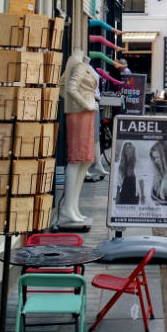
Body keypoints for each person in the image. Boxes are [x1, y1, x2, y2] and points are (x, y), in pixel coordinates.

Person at [57, 48, 99, 225]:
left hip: (85, 113)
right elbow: (70, 88)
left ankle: (72, 207)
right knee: (77, 159)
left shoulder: (82, 63)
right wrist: (86, 104)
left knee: (85, 160)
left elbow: (65, 87)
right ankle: (68, 208)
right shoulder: (78, 64)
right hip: (80, 113)